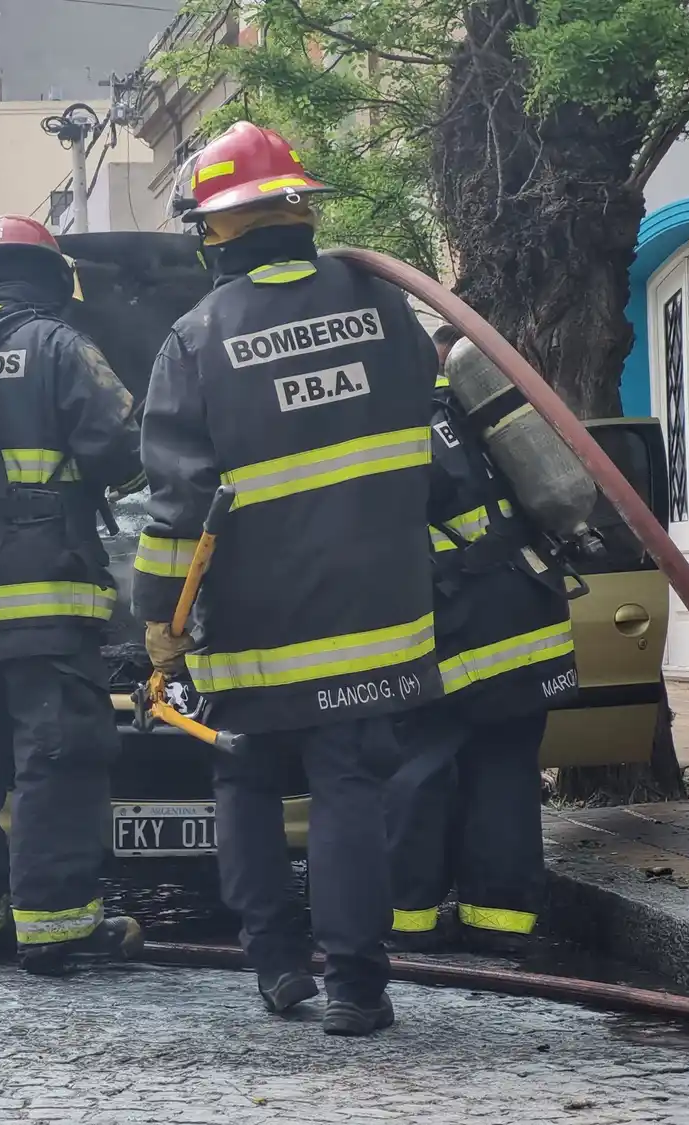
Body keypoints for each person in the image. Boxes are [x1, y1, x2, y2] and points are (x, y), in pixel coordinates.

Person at [134, 121, 440, 1036]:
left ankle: (275, 965)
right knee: (350, 784)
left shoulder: (196, 340)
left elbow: (177, 509)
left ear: (214, 229)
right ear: (301, 206)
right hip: (380, 610)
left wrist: (159, 619)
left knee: (249, 780)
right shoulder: (386, 304)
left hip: (258, 624)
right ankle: (357, 985)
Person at [0, 215, 147, 975]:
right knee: (56, 761)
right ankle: (53, 929)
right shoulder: (55, 345)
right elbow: (121, 448)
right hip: (44, 605)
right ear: (48, 279)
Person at [384, 337, 577, 954]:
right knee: (506, 771)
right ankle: (501, 924)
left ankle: (407, 921)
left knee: (418, 770)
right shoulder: (466, 416)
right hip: (526, 616)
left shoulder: (384, 430)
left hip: (454, 633)